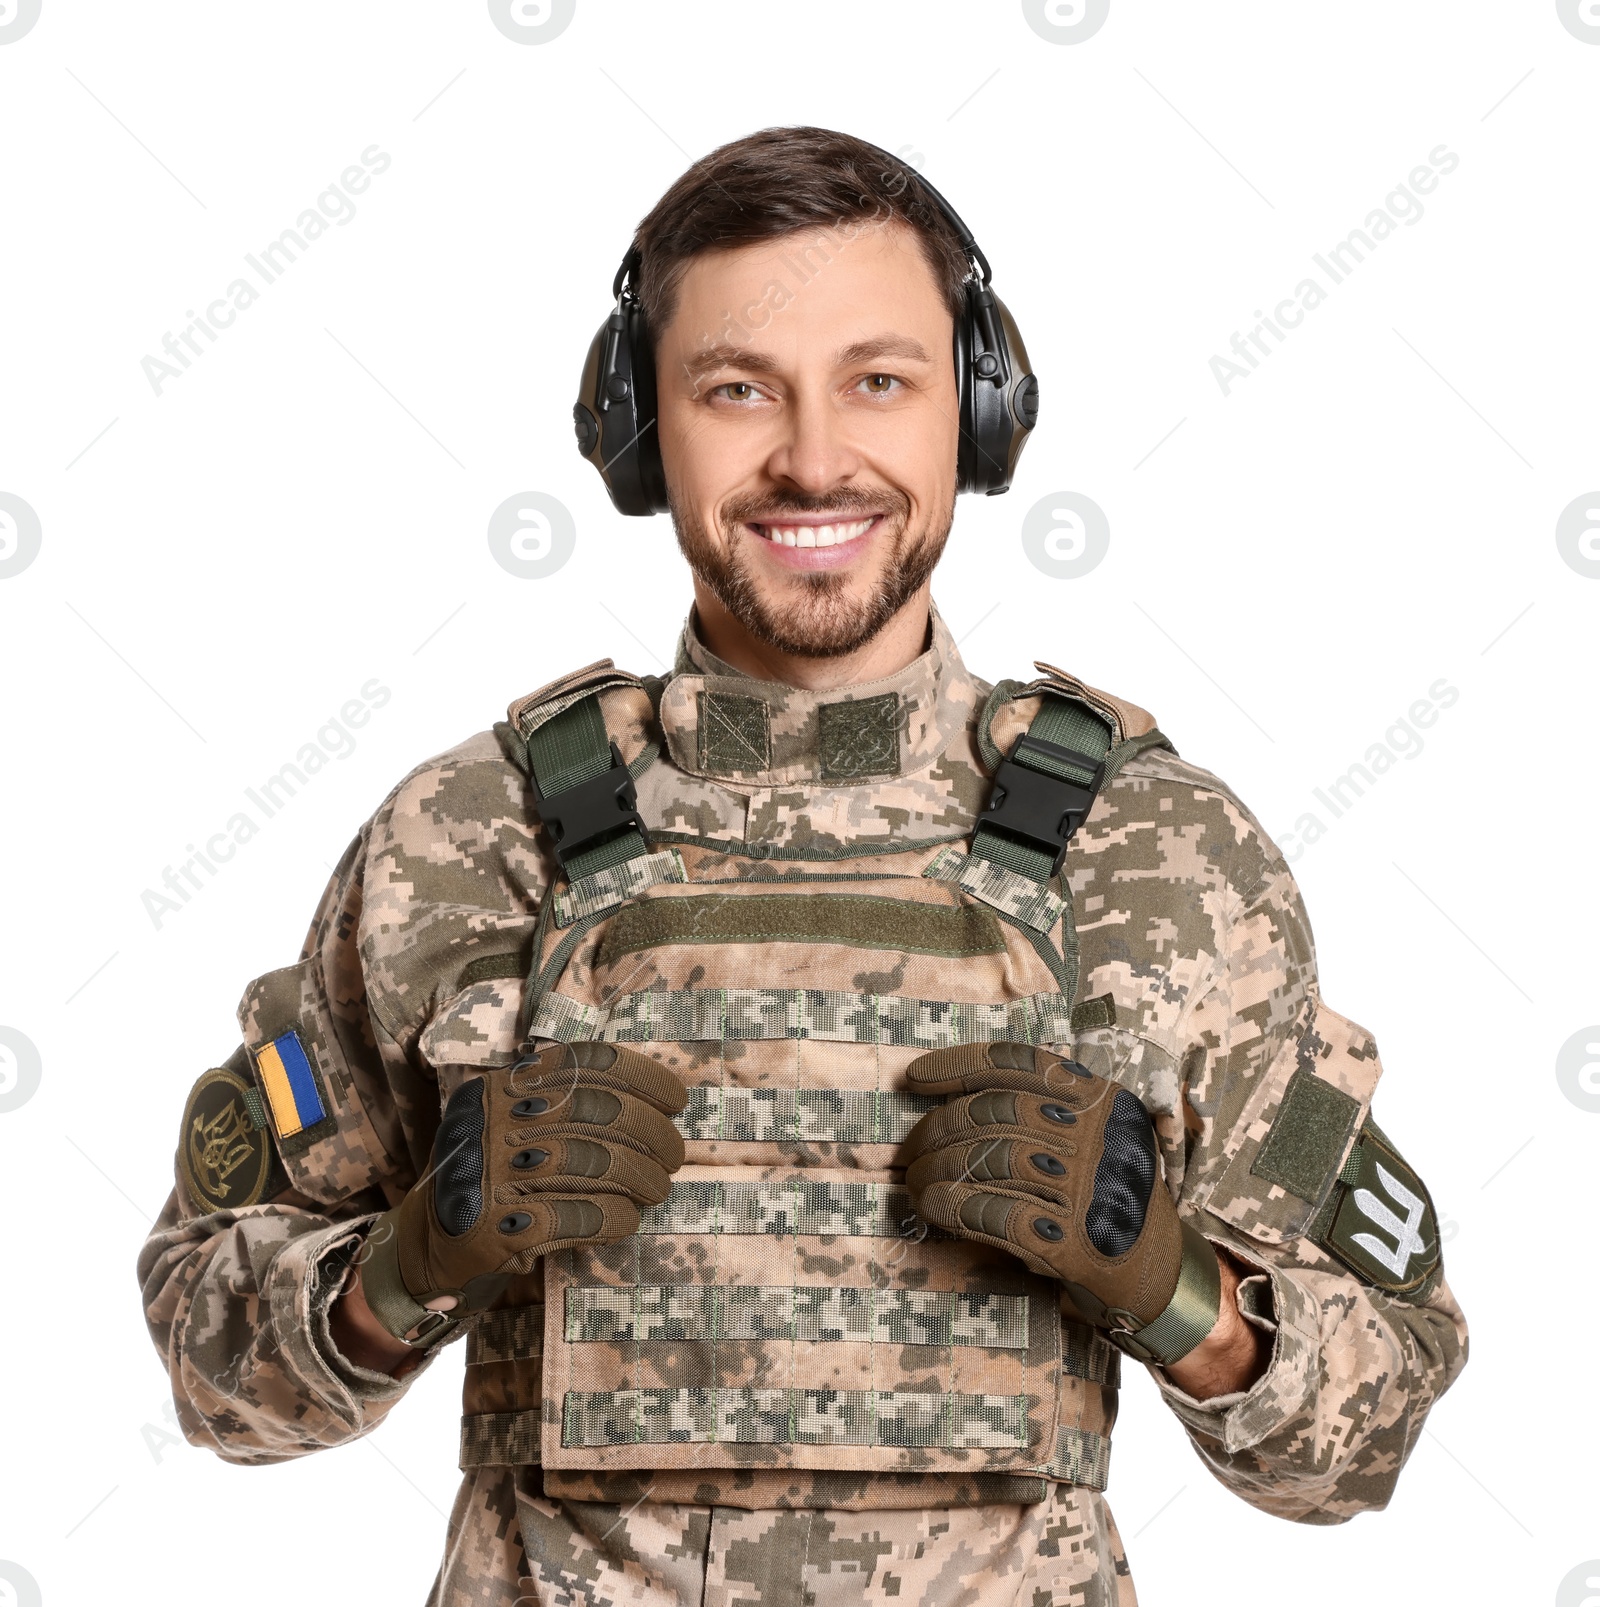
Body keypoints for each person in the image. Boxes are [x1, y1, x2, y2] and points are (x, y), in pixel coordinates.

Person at [138, 126, 1468, 1607]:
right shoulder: (468, 839)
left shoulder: (1161, 856)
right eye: (735, 391)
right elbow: (209, 1368)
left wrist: (1181, 1299)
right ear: (639, 431)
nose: (816, 458)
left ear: (978, 410)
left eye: (880, 382)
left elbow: (1372, 1432)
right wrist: (405, 1272)